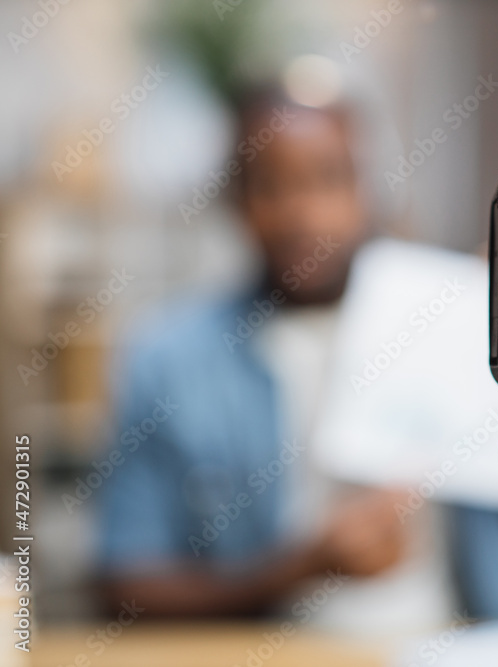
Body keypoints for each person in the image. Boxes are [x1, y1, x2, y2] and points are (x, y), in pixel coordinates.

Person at [96, 82, 454, 629]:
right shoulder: (168, 360)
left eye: (328, 178)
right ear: (235, 201)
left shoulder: (453, 327)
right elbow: (124, 588)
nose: (302, 213)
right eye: (270, 185)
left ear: (370, 189)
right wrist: (299, 570)